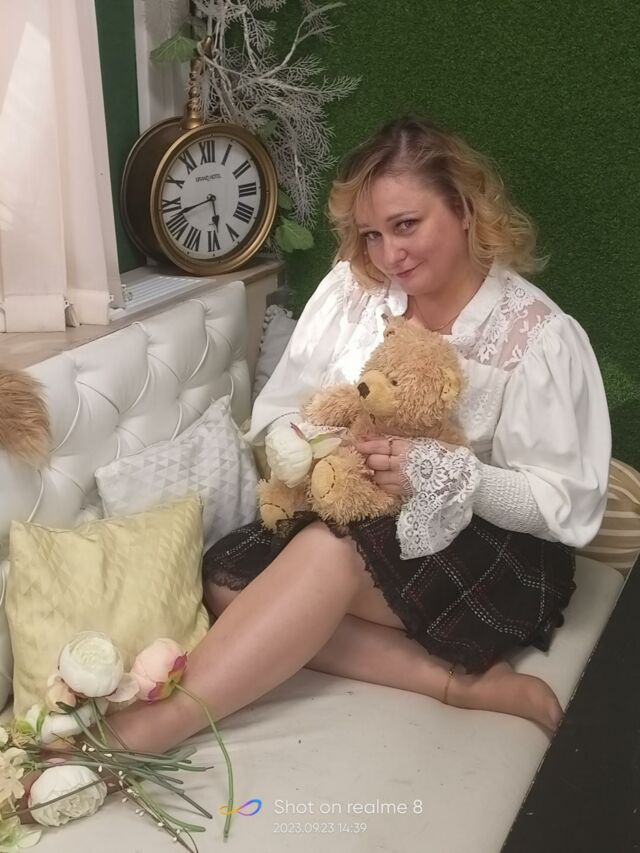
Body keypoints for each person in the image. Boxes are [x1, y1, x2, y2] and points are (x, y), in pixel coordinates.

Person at [107, 116, 610, 750]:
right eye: (372, 234)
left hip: (492, 543)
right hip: (358, 509)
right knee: (225, 579)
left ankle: (157, 726)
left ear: (464, 210)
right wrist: (319, 443)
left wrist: (445, 473)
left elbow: (564, 508)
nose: (389, 254)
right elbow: (276, 414)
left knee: (330, 551)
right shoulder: (353, 290)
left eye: (407, 225)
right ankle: (450, 681)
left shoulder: (534, 335)